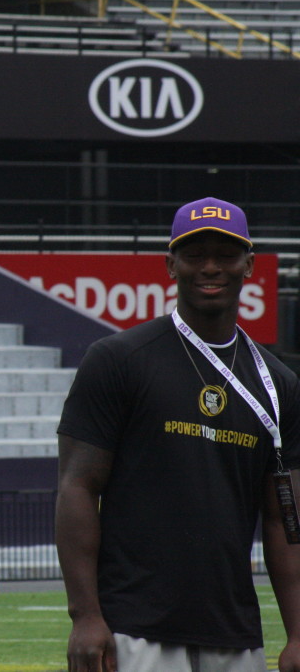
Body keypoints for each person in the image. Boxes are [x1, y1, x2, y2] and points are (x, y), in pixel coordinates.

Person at [55, 197, 300, 672]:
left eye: (226, 255)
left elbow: (284, 521)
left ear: (249, 264)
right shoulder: (118, 359)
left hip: (234, 633)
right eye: (194, 254)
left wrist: (298, 633)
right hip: (134, 628)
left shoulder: (278, 384)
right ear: (171, 264)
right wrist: (85, 616)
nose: (210, 267)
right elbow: (77, 486)